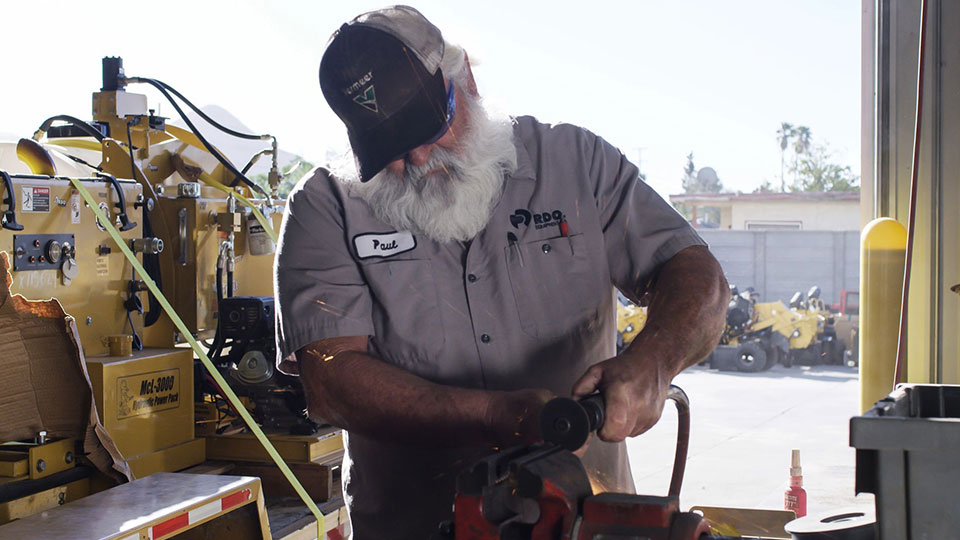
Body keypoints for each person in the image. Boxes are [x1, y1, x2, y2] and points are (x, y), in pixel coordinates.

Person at [274, 5, 728, 538]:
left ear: (463, 76)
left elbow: (696, 274)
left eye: (430, 126)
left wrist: (653, 361)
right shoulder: (327, 207)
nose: (419, 159)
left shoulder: (576, 164)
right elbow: (331, 379)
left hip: (581, 522)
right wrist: (495, 414)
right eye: (391, 150)